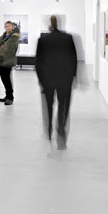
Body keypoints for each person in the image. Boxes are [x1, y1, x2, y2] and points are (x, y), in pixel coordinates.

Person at [35, 15, 78, 149]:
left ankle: (49, 130)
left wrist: (41, 80)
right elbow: (73, 58)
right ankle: (60, 128)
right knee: (63, 105)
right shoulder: (68, 38)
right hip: (65, 78)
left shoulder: (43, 39)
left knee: (49, 106)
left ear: (50, 24)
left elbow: (38, 62)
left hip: (48, 79)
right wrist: (73, 76)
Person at [0, 21, 20, 105]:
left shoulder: (14, 37)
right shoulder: (3, 36)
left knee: (7, 80)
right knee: (4, 79)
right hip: (1, 61)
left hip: (8, 61)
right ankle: (7, 95)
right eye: (6, 26)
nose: (8, 27)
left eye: (9, 26)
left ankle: (10, 97)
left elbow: (9, 50)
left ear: (12, 27)